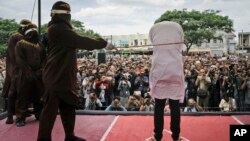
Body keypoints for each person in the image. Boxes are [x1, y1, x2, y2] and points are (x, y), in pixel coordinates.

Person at [37, 1, 114, 141]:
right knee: (50, 111)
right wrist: (104, 44)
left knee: (68, 106)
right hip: (56, 76)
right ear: (67, 16)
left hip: (62, 75)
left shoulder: (56, 28)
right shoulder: (58, 29)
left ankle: (70, 136)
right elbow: (82, 41)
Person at [147, 21, 185, 141]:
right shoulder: (178, 27)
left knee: (159, 106)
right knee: (174, 106)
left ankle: (157, 137)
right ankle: (176, 137)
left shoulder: (154, 28)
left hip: (159, 71)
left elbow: (152, 43)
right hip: (175, 70)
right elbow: (180, 46)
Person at [14, 23, 45, 126]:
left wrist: (40, 71)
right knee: (23, 96)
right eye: (32, 30)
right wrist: (29, 73)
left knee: (39, 95)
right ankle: (20, 118)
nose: (34, 32)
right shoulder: (20, 44)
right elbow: (20, 60)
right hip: (25, 75)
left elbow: (44, 59)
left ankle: (39, 114)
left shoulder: (40, 45)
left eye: (35, 30)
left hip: (38, 75)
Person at [3, 19, 32, 124]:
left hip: (19, 68)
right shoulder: (16, 37)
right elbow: (14, 55)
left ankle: (21, 112)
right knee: (13, 92)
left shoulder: (21, 37)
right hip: (16, 69)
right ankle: (10, 116)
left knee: (21, 92)